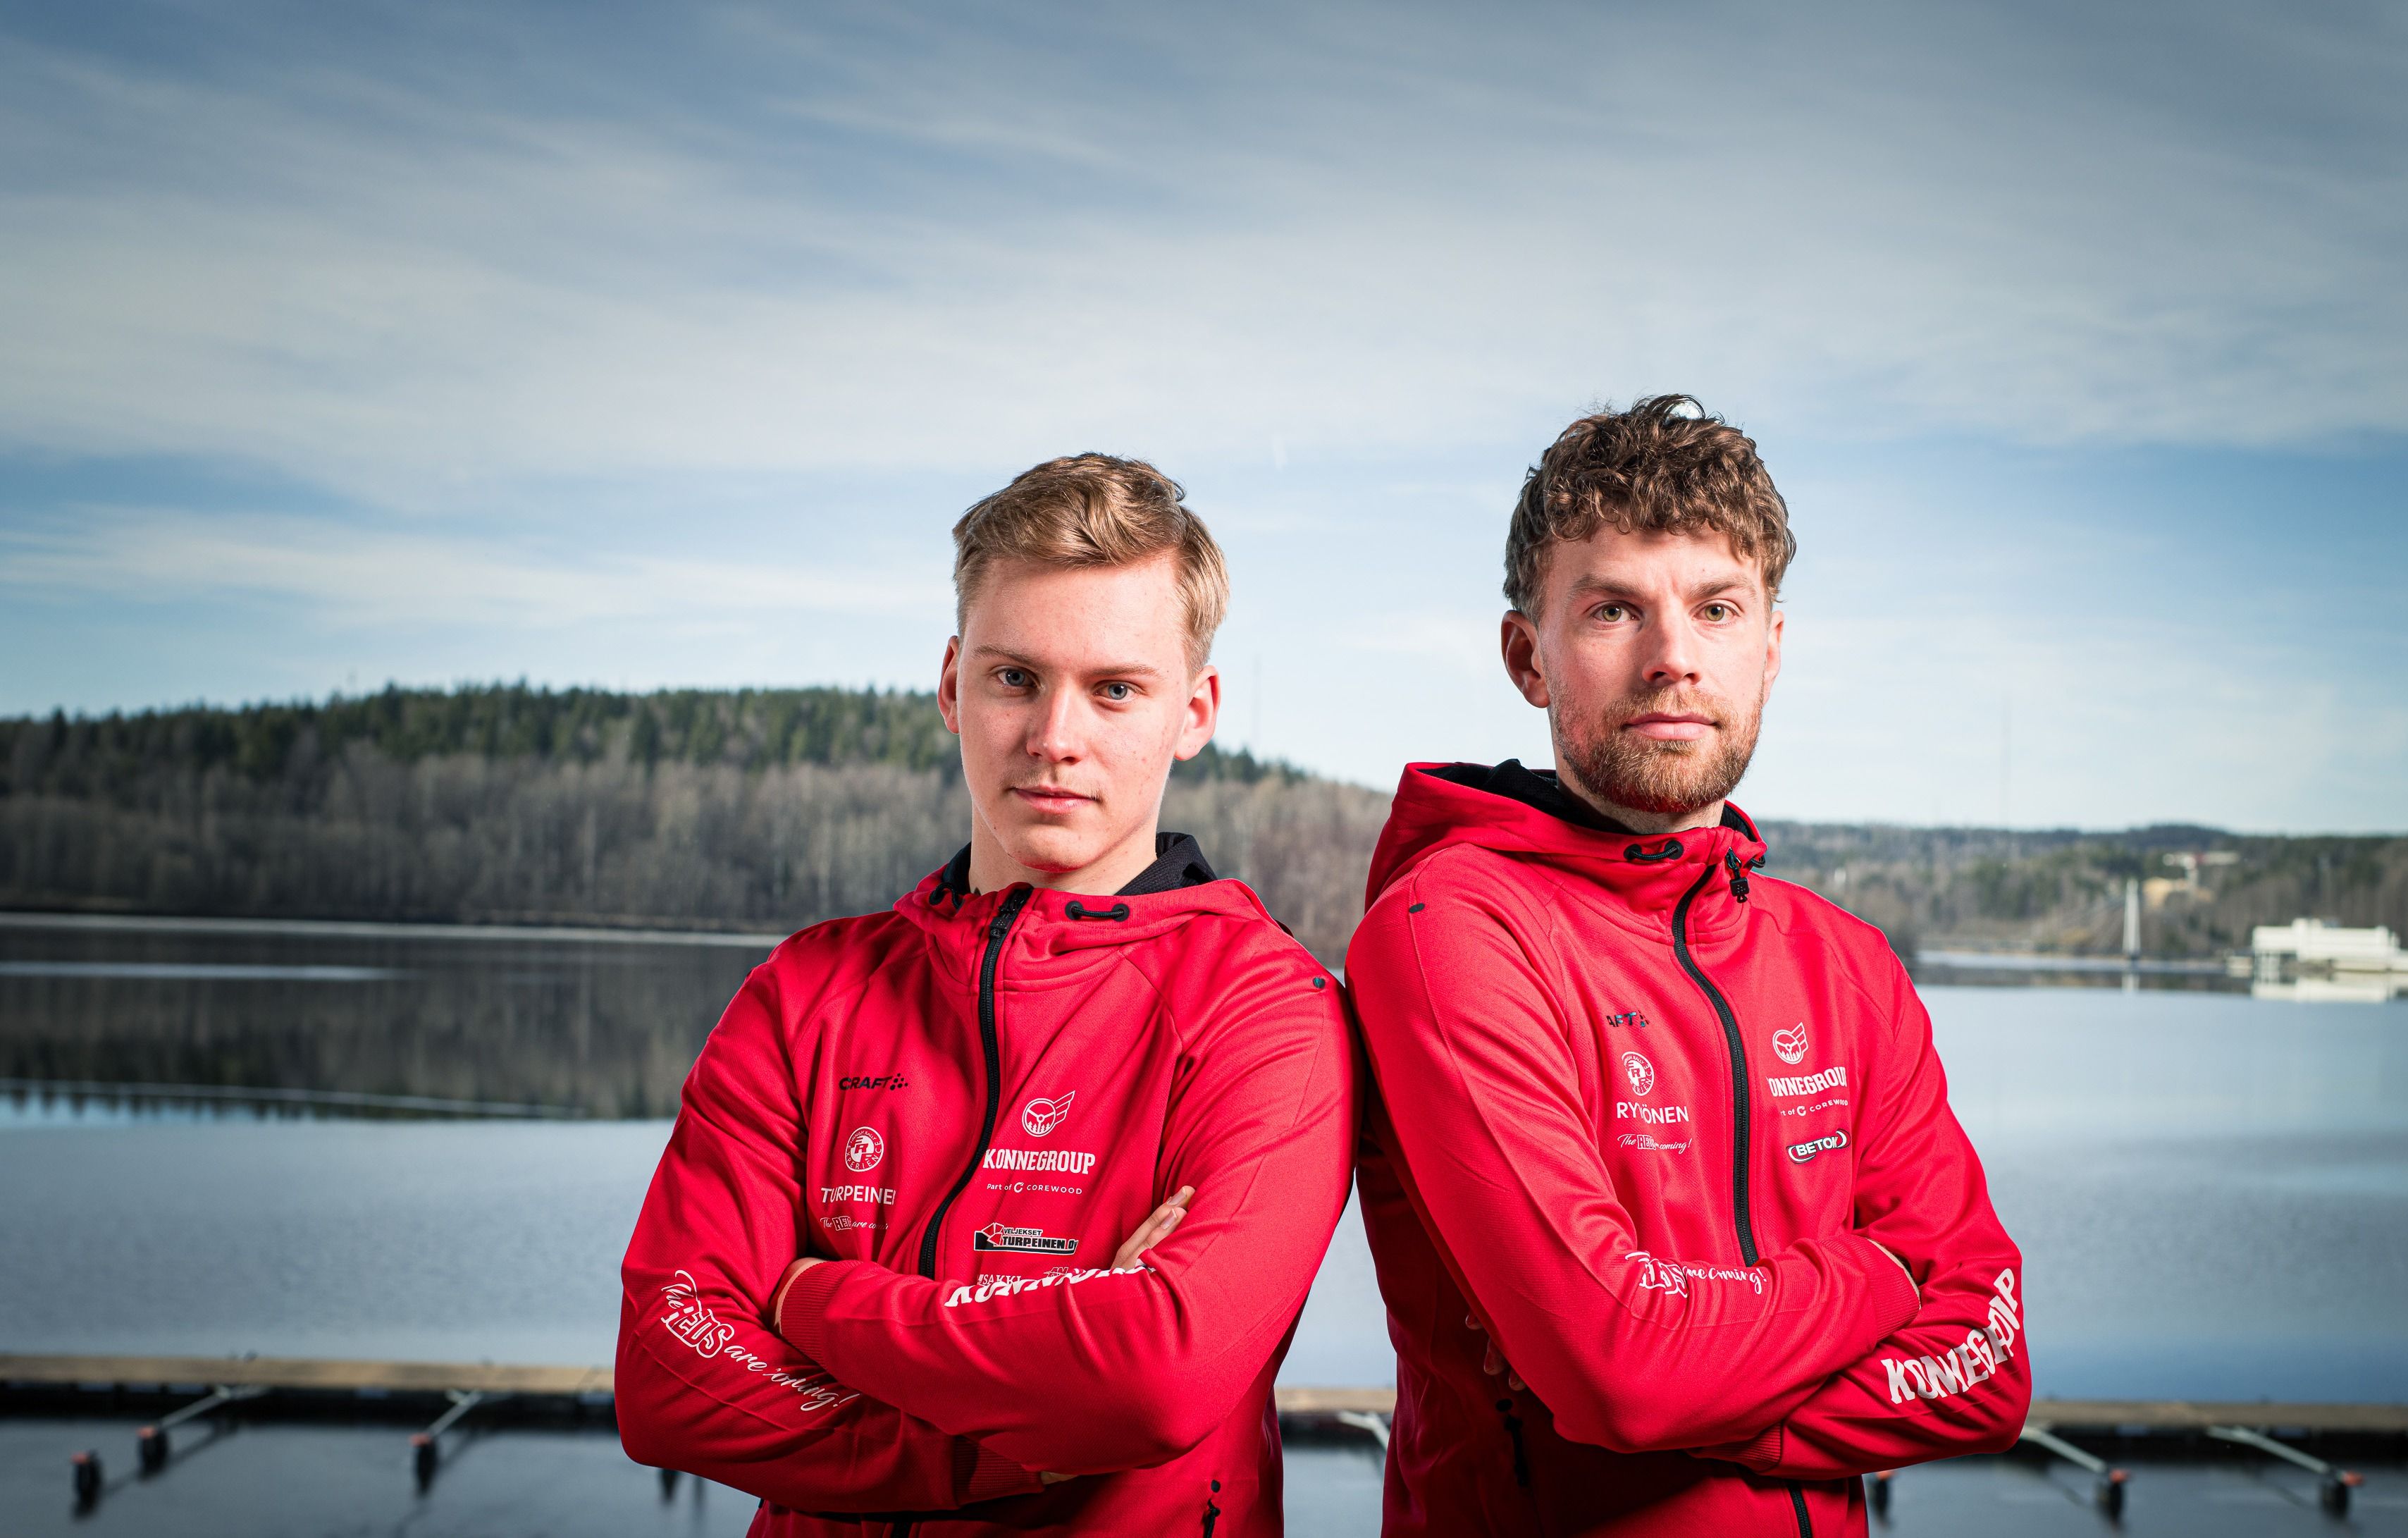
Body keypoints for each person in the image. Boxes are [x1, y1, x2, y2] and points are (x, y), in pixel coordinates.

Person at [616, 455, 1358, 1537]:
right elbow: (667, 1376)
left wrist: (810, 1298)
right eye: (1015, 677)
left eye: (1115, 688)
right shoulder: (807, 989)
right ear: (951, 682)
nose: (1056, 736)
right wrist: (1019, 1426)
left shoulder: (1270, 1013)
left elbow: (1154, 1378)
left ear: (1192, 710)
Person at [1347, 396, 2029, 1537]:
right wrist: (1874, 1281)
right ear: (1528, 655)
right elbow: (1617, 1368)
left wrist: (1702, 1406)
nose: (1674, 658)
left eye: (1717, 608)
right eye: (1614, 608)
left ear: (1769, 645)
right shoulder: (1451, 929)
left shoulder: (1843, 962)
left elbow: (1991, 1366)